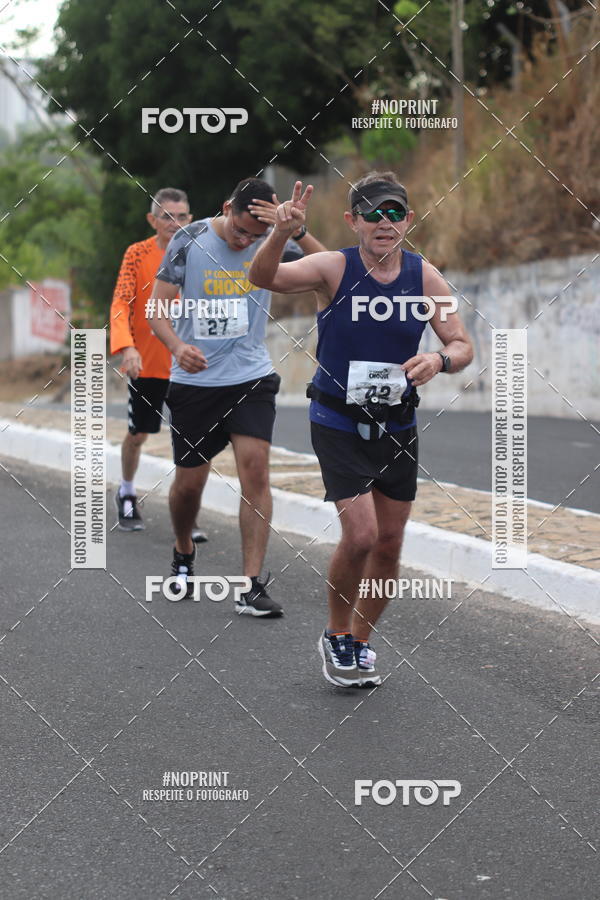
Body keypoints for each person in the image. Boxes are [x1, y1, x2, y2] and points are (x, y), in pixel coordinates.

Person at [249, 171, 474, 684]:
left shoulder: (425, 277)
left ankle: (359, 642)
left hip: (396, 425)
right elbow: (265, 279)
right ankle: (335, 633)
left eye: (395, 212)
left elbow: (461, 345)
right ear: (353, 221)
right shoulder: (334, 267)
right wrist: (281, 232)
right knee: (362, 534)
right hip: (338, 421)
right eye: (372, 213)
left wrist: (439, 361)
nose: (384, 222)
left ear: (409, 220)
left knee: (390, 542)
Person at [148, 177, 325, 616]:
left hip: (250, 378)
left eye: (255, 234)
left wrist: (293, 229)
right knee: (189, 485)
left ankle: (250, 585)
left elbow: (332, 269)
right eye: (241, 229)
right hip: (195, 383)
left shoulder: (271, 239)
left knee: (256, 473)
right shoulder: (189, 239)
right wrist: (176, 347)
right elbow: (157, 306)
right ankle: (184, 548)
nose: (246, 239)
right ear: (227, 207)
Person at [109, 187, 206, 542]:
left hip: (189, 366)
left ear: (191, 220)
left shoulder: (200, 253)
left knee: (192, 442)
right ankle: (127, 491)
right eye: (167, 216)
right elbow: (121, 302)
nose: (175, 224)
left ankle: (187, 513)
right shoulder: (137, 254)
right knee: (139, 434)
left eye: (182, 217)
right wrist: (126, 347)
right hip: (147, 364)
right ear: (153, 219)